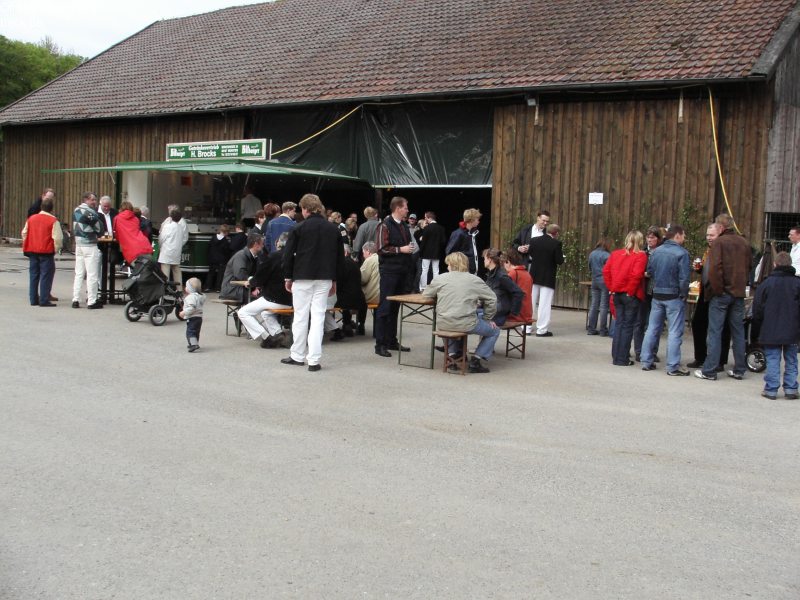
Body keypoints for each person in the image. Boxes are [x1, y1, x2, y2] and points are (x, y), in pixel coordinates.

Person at [281, 193, 344, 372]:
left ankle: (297, 355)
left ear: (305, 209)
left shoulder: (298, 228)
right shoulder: (333, 229)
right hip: (324, 278)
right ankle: (314, 360)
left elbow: (287, 255)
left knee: (301, 317)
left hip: (302, 276)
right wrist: (334, 280)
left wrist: (288, 277)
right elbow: (339, 258)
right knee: (318, 317)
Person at [694, 214, 752, 381]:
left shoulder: (719, 243)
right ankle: (739, 369)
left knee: (715, 332)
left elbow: (714, 269)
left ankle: (709, 370)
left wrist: (717, 290)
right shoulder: (744, 242)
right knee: (738, 332)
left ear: (721, 227)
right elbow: (749, 266)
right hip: (738, 293)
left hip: (722, 293)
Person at [422, 252, 500, 373]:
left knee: (451, 322)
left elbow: (426, 294)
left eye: (448, 264)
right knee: (495, 331)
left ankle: (452, 356)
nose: (447, 267)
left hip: (444, 322)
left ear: (452, 264)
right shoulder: (474, 280)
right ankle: (476, 360)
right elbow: (492, 299)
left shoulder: (440, 278)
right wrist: (487, 318)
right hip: (467, 323)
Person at [639, 225, 691, 376]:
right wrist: (683, 294)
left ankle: (646, 361)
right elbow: (684, 278)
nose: (684, 238)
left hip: (657, 294)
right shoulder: (682, 253)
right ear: (677, 235)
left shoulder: (656, 251)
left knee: (652, 328)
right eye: (683, 235)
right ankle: (672, 366)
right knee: (674, 331)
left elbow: (650, 271)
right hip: (674, 296)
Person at [752, 251, 800, 400]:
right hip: (793, 328)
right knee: (791, 359)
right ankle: (791, 388)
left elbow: (757, 308)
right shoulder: (797, 283)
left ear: (775, 264)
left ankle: (771, 389)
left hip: (770, 328)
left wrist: (758, 325)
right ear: (790, 264)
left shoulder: (766, 283)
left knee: (773, 358)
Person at [374, 196, 415, 358]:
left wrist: (409, 250)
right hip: (389, 272)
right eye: (405, 207)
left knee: (395, 307)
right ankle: (380, 344)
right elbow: (381, 249)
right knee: (385, 307)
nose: (407, 210)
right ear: (398, 208)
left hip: (402, 271)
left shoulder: (404, 225)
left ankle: (391, 340)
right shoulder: (384, 225)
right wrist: (401, 250)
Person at [237, 232, 293, 349]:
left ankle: (266, 337)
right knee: (266, 313)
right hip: (293, 299)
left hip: (274, 298)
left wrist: (251, 282)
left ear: (279, 243)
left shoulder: (273, 257)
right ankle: (278, 334)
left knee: (243, 312)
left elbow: (260, 277)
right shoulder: (296, 257)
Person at [687, 223, 730, 370]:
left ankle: (720, 361)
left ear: (720, 235)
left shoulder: (723, 250)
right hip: (705, 291)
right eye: (707, 235)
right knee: (698, 323)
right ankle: (700, 357)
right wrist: (700, 269)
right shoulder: (708, 250)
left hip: (718, 292)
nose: (709, 238)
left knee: (720, 327)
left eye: (712, 235)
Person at [603, 230, 648, 366]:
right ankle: (622, 358)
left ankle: (617, 356)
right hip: (630, 295)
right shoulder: (640, 255)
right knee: (627, 326)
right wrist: (630, 291)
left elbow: (606, 271)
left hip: (617, 293)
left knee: (619, 324)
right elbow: (637, 275)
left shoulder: (616, 254)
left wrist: (612, 288)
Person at [22, 196, 62, 307]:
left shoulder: (31, 218)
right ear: (51, 208)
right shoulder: (53, 220)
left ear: (41, 207)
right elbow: (58, 238)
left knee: (34, 275)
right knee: (46, 275)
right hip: (46, 251)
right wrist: (55, 249)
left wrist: (28, 242)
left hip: (32, 250)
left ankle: (33, 299)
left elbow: (24, 233)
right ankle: (44, 299)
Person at [633, 226, 663, 361]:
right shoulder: (642, 252)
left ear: (658, 238)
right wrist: (643, 273)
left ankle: (652, 352)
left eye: (653, 237)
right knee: (640, 322)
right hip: (643, 291)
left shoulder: (662, 252)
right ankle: (639, 351)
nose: (650, 240)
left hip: (657, 291)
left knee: (655, 324)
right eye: (648, 237)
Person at [529, 223, 564, 337]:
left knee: (530, 301)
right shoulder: (556, 243)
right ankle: (541, 330)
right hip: (547, 276)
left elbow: (531, 254)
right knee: (544, 304)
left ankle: (526, 327)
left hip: (534, 275)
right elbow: (559, 260)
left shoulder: (534, 240)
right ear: (555, 233)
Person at [71, 191, 103, 309]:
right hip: (89, 244)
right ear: (86, 199)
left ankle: (75, 299)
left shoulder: (76, 210)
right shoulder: (90, 212)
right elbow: (99, 228)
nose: (94, 202)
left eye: (95, 200)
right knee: (92, 274)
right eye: (92, 200)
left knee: (79, 273)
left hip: (78, 244)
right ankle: (92, 301)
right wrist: (99, 232)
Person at [482, 248, 523, 326]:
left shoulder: (501, 276)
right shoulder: (490, 274)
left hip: (498, 314)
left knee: (472, 320)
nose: (484, 261)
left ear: (490, 259)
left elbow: (518, 292)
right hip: (491, 310)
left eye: (485, 258)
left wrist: (512, 313)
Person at [220, 233, 264, 304]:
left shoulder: (254, 257)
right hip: (232, 290)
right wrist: (254, 286)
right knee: (262, 299)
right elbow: (240, 275)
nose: (263, 246)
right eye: (262, 244)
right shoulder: (241, 256)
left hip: (242, 288)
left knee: (266, 296)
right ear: (256, 244)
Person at [157, 208, 189, 288]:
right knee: (177, 270)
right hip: (176, 252)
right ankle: (179, 289)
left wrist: (160, 247)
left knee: (165, 272)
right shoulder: (181, 228)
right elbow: (183, 239)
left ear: (171, 217)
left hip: (166, 252)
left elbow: (161, 239)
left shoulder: (167, 226)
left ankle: (165, 289)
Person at [445, 208, 482, 275]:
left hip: (472, 270)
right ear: (472, 220)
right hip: (462, 270)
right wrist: (460, 264)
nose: (478, 221)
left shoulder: (473, 233)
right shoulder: (458, 234)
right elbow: (450, 252)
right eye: (477, 219)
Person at [587, 238, 612, 336]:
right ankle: (603, 330)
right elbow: (610, 270)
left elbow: (589, 267)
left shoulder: (592, 254)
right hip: (604, 281)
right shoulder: (607, 255)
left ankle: (591, 328)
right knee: (604, 306)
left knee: (594, 305)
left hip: (594, 280)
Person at [417, 211, 446, 291]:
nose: (425, 219)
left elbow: (423, 242)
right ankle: (436, 288)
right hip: (437, 253)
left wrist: (421, 252)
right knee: (436, 271)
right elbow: (443, 242)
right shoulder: (441, 228)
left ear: (429, 218)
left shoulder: (427, 228)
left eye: (425, 217)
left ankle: (423, 288)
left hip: (426, 253)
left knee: (424, 270)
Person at [503, 247, 533, 323]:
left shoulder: (513, 273)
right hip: (527, 313)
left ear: (508, 262)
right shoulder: (527, 274)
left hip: (517, 314)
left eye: (504, 263)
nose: (504, 267)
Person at [179, 278, 205, 352]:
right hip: (199, 317)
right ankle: (194, 343)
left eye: (187, 286)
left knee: (190, 332)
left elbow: (191, 308)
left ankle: (194, 344)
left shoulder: (191, 297)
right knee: (196, 331)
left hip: (192, 317)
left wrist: (184, 312)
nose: (185, 288)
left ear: (190, 289)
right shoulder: (200, 296)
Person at [205, 224, 232, 292]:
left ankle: (208, 287)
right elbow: (226, 251)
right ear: (226, 232)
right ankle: (218, 288)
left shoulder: (213, 238)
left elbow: (208, 248)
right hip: (221, 260)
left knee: (211, 273)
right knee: (220, 275)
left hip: (212, 259)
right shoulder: (225, 241)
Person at [360, 241, 380, 311]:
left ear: (368, 251)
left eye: (363, 253)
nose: (363, 255)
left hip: (371, 297)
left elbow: (363, 279)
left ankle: (358, 319)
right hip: (382, 296)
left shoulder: (369, 260)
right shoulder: (381, 258)